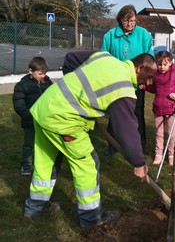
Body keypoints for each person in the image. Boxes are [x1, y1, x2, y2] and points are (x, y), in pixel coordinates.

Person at [24, 51, 157, 228]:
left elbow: (70, 59)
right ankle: (92, 217)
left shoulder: (104, 57)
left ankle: (35, 207)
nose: (149, 83)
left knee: (46, 162)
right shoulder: (123, 88)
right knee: (88, 165)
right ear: (140, 68)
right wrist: (139, 162)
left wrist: (80, 94)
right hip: (63, 121)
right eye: (149, 77)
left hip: (45, 107)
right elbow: (127, 130)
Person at [101, 4, 154, 155]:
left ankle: (140, 146)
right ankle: (112, 146)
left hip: (137, 83)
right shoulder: (110, 35)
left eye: (133, 21)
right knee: (115, 114)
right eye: (126, 21)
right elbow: (103, 57)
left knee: (137, 115)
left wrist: (146, 79)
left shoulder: (144, 35)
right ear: (120, 20)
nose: (130, 24)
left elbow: (149, 58)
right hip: (116, 83)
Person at [13, 57, 53, 175]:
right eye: (40, 74)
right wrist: (31, 117)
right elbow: (19, 106)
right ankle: (26, 165)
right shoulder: (22, 86)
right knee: (29, 145)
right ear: (30, 71)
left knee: (45, 144)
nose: (43, 76)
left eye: (45, 73)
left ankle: (44, 165)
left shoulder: (48, 83)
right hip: (30, 122)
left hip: (45, 121)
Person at [146, 51, 175, 166]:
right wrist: (146, 86)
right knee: (158, 133)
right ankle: (158, 154)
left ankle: (171, 155)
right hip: (158, 108)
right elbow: (154, 89)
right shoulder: (156, 75)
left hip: (171, 108)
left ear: (170, 63)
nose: (162, 67)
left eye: (165, 64)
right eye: (160, 64)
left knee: (171, 133)